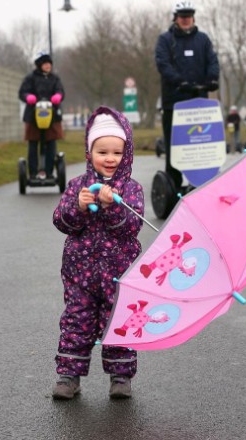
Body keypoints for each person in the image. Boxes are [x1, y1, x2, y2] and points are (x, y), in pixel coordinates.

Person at [52, 105, 144, 400]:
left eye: (117, 153)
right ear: (89, 151)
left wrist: (112, 205)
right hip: (80, 274)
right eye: (102, 151)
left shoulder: (131, 189)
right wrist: (77, 207)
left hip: (119, 274)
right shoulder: (77, 186)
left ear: (126, 154)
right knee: (76, 321)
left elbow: (130, 227)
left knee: (119, 322)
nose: (110, 159)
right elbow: (61, 222)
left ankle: (120, 376)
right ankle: (69, 375)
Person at [155, 0, 220, 190]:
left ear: (193, 18)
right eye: (182, 16)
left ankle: (201, 185)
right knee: (175, 147)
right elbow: (163, 64)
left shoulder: (203, 40)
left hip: (199, 104)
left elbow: (212, 61)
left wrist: (212, 78)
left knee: (201, 145)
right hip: (174, 103)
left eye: (189, 16)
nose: (186, 20)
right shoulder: (166, 40)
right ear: (176, 18)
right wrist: (179, 81)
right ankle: (172, 186)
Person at [18, 52, 65, 179]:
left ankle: (49, 172)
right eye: (45, 63)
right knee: (33, 144)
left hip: (52, 115)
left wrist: (58, 96)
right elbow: (22, 92)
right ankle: (33, 172)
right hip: (33, 116)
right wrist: (28, 97)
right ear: (39, 65)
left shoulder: (55, 79)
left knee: (51, 143)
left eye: (49, 63)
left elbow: (60, 90)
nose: (48, 66)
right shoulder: (30, 78)